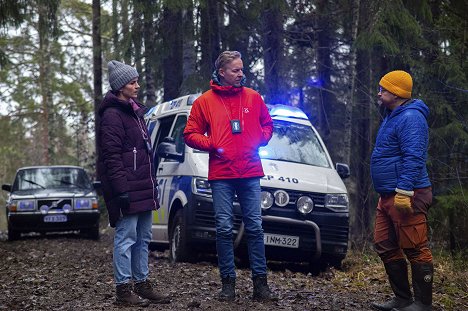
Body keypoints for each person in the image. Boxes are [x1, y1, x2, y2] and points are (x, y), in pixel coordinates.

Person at [183, 51, 276, 301]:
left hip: (250, 172)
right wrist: (212, 143)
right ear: (222, 72)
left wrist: (260, 139)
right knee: (224, 228)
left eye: (241, 69)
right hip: (222, 174)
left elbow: (268, 125)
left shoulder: (253, 98)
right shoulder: (205, 101)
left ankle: (261, 285)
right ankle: (228, 284)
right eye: (235, 70)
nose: (241, 74)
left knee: (255, 227)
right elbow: (190, 133)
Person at [97, 60, 170, 307]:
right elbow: (111, 157)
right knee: (126, 238)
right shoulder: (112, 115)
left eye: (137, 81)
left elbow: (143, 152)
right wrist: (121, 191)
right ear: (120, 87)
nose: (137, 86)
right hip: (128, 189)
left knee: (143, 237)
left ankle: (142, 283)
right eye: (132, 82)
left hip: (144, 187)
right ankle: (123, 289)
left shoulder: (135, 112)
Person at [370, 70, 433, 311]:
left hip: (408, 193)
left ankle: (423, 304)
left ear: (396, 93)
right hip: (388, 195)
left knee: (415, 247)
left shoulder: (411, 118)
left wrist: (404, 191)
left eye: (383, 89)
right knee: (384, 243)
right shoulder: (393, 115)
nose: (379, 92)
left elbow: (414, 156)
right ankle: (403, 298)